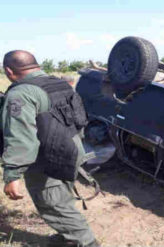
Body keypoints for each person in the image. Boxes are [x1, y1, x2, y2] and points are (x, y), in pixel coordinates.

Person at [1, 50, 99, 247]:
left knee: (53, 204)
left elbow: (22, 138)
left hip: (48, 158)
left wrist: (12, 174)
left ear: (9, 71)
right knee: (61, 197)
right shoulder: (59, 83)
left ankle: (86, 243)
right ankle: (68, 237)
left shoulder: (21, 94)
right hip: (71, 149)